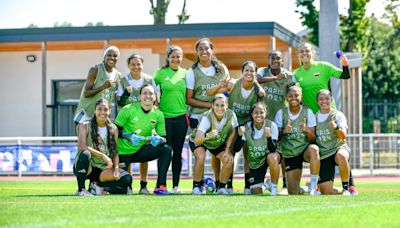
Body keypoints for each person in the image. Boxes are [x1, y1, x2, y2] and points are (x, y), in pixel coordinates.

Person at [294, 42, 357, 194]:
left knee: (338, 146)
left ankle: (350, 185)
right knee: (319, 149)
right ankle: (317, 182)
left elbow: (345, 75)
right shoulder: (296, 74)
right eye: (301, 51)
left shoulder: (323, 67)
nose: (305, 53)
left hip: (329, 114)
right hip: (313, 117)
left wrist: (344, 60)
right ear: (298, 55)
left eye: (307, 51)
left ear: (312, 53)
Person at [207, 60, 265, 194]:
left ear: (255, 74)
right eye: (247, 70)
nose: (249, 73)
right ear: (242, 72)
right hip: (230, 123)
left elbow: (261, 105)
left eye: (252, 71)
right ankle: (225, 184)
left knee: (247, 153)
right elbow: (210, 94)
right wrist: (219, 86)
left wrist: (258, 86)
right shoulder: (233, 84)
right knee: (227, 152)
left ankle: (247, 185)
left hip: (246, 124)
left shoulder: (258, 91)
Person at [186, 37, 230, 192]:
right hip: (198, 119)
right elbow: (189, 99)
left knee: (224, 156)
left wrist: (218, 105)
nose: (204, 51)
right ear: (197, 52)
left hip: (218, 118)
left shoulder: (221, 68)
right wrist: (210, 105)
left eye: (207, 48)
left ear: (212, 50)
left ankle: (222, 185)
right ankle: (197, 186)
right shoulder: (192, 72)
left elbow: (227, 88)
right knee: (200, 155)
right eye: (200, 49)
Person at [115, 84, 172, 195]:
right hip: (123, 153)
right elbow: (113, 131)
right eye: (145, 93)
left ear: (155, 97)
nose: (148, 96)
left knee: (166, 149)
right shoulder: (128, 109)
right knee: (123, 187)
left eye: (151, 93)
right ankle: (101, 186)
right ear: (140, 96)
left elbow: (164, 138)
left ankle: (160, 186)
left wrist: (159, 139)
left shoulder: (158, 114)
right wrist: (127, 136)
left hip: (140, 151)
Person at [116, 53, 157, 195]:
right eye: (133, 64)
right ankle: (128, 184)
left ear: (142, 65)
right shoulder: (123, 81)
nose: (136, 67)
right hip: (129, 121)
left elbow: (155, 99)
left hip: (145, 118)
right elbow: (120, 102)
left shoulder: (149, 79)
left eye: (138, 64)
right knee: (129, 153)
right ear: (128, 66)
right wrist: (127, 94)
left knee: (143, 152)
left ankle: (143, 185)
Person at [73, 98, 132, 196]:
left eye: (105, 109)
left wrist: (116, 168)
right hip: (88, 166)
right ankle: (81, 189)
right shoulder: (85, 125)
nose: (102, 112)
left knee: (127, 179)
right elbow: (81, 146)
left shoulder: (114, 128)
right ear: (95, 110)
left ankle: (97, 186)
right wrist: (102, 156)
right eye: (99, 109)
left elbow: (115, 152)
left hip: (103, 169)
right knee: (85, 154)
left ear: (109, 111)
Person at [257, 50, 296, 195]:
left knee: (282, 153)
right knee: (263, 152)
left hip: (281, 120)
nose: (275, 60)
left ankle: (285, 185)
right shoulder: (262, 71)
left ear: (282, 61)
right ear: (268, 59)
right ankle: (260, 182)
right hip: (263, 120)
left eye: (278, 58)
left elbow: (295, 91)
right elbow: (257, 80)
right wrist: (275, 78)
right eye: (272, 58)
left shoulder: (289, 75)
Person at [153, 46, 188, 193]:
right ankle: (161, 185)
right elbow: (151, 89)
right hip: (165, 118)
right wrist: (155, 104)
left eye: (178, 57)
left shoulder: (186, 73)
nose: (175, 59)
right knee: (165, 151)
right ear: (168, 58)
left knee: (178, 153)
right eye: (173, 56)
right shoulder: (160, 73)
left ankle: (175, 186)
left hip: (181, 118)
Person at [275, 83, 320, 195]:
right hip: (290, 153)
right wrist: (284, 131)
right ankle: (305, 188)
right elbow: (276, 138)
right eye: (290, 95)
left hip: (304, 150)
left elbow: (313, 139)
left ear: (301, 97)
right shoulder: (281, 113)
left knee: (314, 149)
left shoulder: (308, 112)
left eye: (296, 95)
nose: (293, 98)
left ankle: (313, 187)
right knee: (293, 192)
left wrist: (307, 130)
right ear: (286, 98)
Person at [192, 94, 237, 195]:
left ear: (227, 105)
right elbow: (197, 140)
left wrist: (228, 149)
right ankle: (196, 186)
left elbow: (233, 132)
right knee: (200, 156)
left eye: (222, 105)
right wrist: (208, 135)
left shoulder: (231, 114)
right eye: (217, 105)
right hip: (202, 140)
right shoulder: (207, 117)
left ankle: (221, 187)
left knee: (229, 160)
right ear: (212, 105)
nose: (219, 108)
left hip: (216, 142)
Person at [315, 89, 352, 195]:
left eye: (327, 98)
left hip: (338, 149)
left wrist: (336, 128)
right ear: (317, 102)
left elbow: (343, 136)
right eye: (321, 99)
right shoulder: (314, 117)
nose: (324, 101)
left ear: (331, 100)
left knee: (341, 155)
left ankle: (346, 188)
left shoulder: (338, 115)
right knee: (326, 192)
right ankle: (339, 190)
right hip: (324, 154)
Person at [238, 102, 280, 195]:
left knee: (272, 157)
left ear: (265, 113)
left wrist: (269, 137)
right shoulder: (247, 126)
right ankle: (265, 185)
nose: (259, 115)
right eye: (256, 112)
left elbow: (273, 149)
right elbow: (237, 148)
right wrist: (240, 136)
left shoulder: (272, 125)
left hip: (269, 156)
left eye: (261, 112)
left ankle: (274, 188)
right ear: (252, 114)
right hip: (256, 161)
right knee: (255, 192)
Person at [74, 46, 121, 125]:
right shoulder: (95, 69)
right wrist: (103, 87)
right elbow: (86, 93)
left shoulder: (118, 75)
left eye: (115, 56)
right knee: (84, 137)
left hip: (101, 117)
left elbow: (114, 96)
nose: (112, 57)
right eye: (109, 55)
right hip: (86, 114)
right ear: (104, 57)